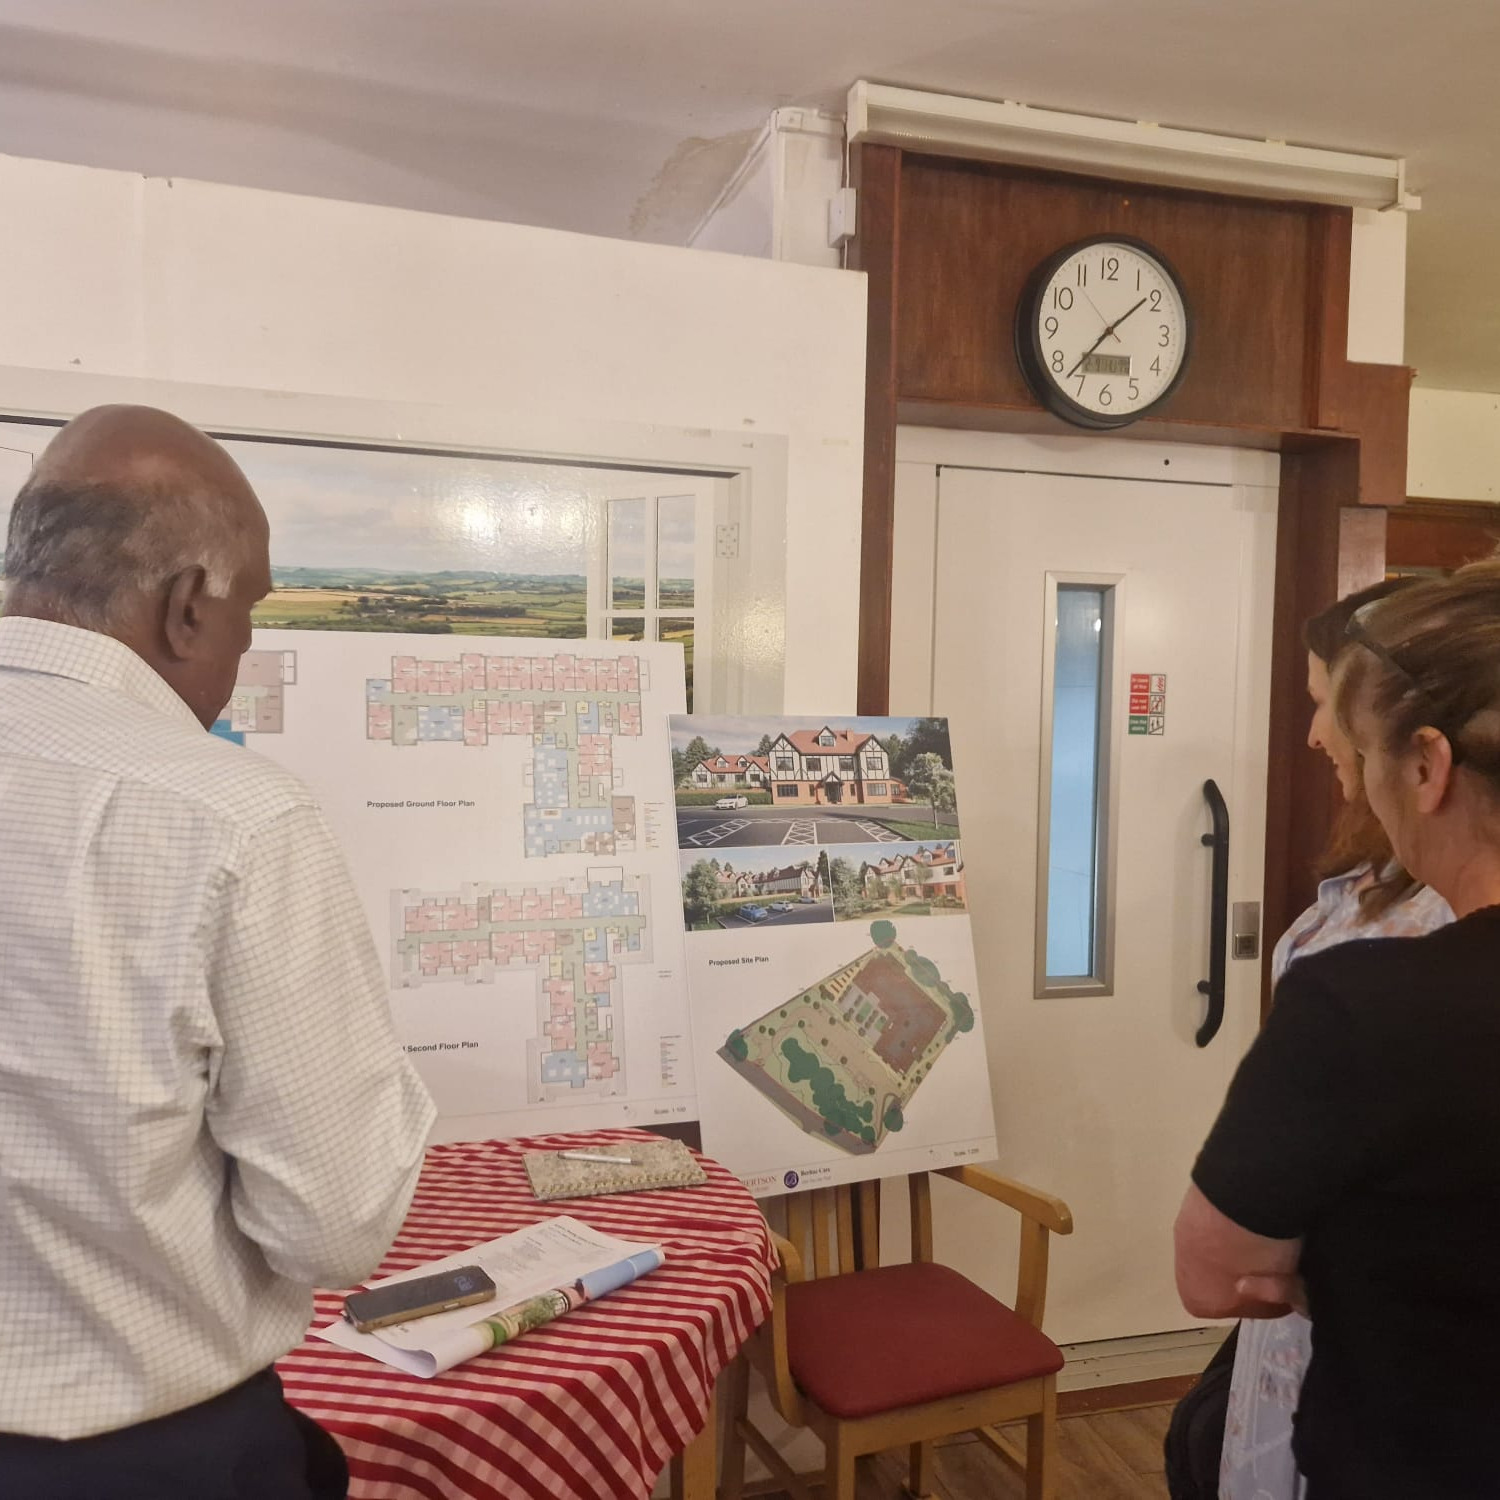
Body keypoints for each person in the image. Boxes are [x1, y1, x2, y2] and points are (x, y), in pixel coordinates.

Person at [0, 406, 435, 1498]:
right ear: (189, 604)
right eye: (251, 615)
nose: (243, 650)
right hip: (140, 1456)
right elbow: (332, 1227)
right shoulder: (231, 816)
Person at [1175, 559, 1500, 1498]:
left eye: (1341, 719)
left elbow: (1217, 1271)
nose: (1320, 738)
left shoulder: (1375, 998)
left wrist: (1349, 1269)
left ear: (1428, 764)